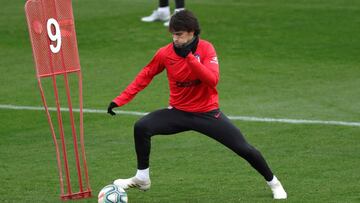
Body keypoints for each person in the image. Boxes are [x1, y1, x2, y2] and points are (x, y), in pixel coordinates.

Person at [107, 10, 287, 200]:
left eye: (179, 34)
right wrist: (120, 99)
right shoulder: (165, 53)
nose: (175, 39)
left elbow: (212, 80)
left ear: (192, 32)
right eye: (173, 34)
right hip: (178, 112)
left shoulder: (207, 48)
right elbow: (146, 74)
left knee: (244, 149)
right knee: (142, 126)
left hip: (207, 114)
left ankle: (274, 183)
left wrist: (190, 58)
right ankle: (142, 178)